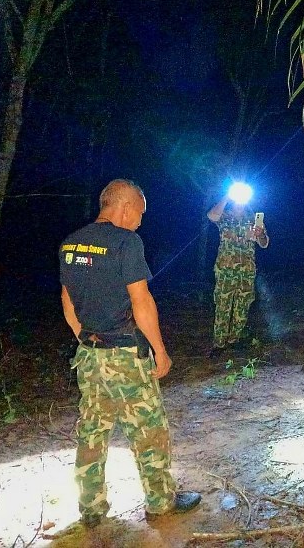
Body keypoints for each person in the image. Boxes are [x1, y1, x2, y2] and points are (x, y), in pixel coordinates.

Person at [59, 179, 200, 528]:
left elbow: (67, 299)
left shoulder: (70, 243)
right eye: (140, 213)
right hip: (125, 356)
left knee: (93, 430)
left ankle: (91, 506)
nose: (140, 221)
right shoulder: (127, 242)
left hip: (89, 356)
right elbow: (141, 301)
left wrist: (86, 339)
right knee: (149, 430)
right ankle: (161, 502)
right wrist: (160, 351)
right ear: (125, 207)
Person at [207, 187, 269, 356]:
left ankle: (235, 340)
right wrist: (227, 196)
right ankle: (219, 344)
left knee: (243, 306)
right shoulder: (225, 216)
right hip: (226, 270)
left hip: (246, 271)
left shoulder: (253, 218)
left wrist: (260, 234)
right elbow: (211, 216)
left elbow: (264, 243)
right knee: (223, 306)